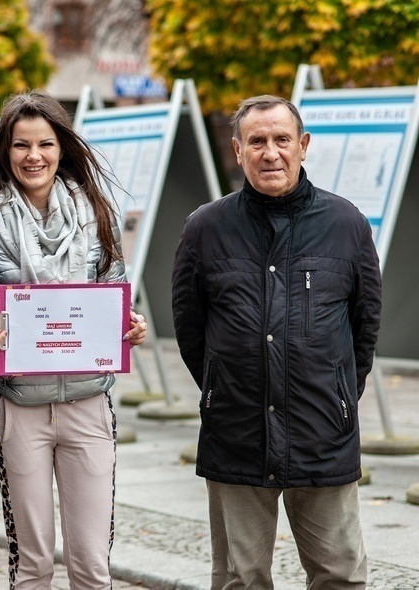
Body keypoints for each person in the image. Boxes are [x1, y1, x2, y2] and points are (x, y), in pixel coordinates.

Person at [171, 95, 382, 589]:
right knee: (239, 579)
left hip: (322, 433)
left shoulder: (346, 223)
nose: (271, 152)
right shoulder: (205, 227)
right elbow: (190, 327)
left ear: (303, 146)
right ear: (238, 150)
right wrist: (222, 386)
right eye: (258, 141)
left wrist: (339, 394)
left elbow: (364, 324)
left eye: (282, 140)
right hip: (236, 431)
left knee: (340, 575)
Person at [0, 90, 148, 589]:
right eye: (21, 145)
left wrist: (130, 325)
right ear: (5, 150)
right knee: (33, 562)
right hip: (18, 406)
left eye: (45, 143)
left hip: (89, 403)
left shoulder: (94, 212)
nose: (34, 156)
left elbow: (113, 291)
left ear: (62, 148)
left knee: (91, 564)